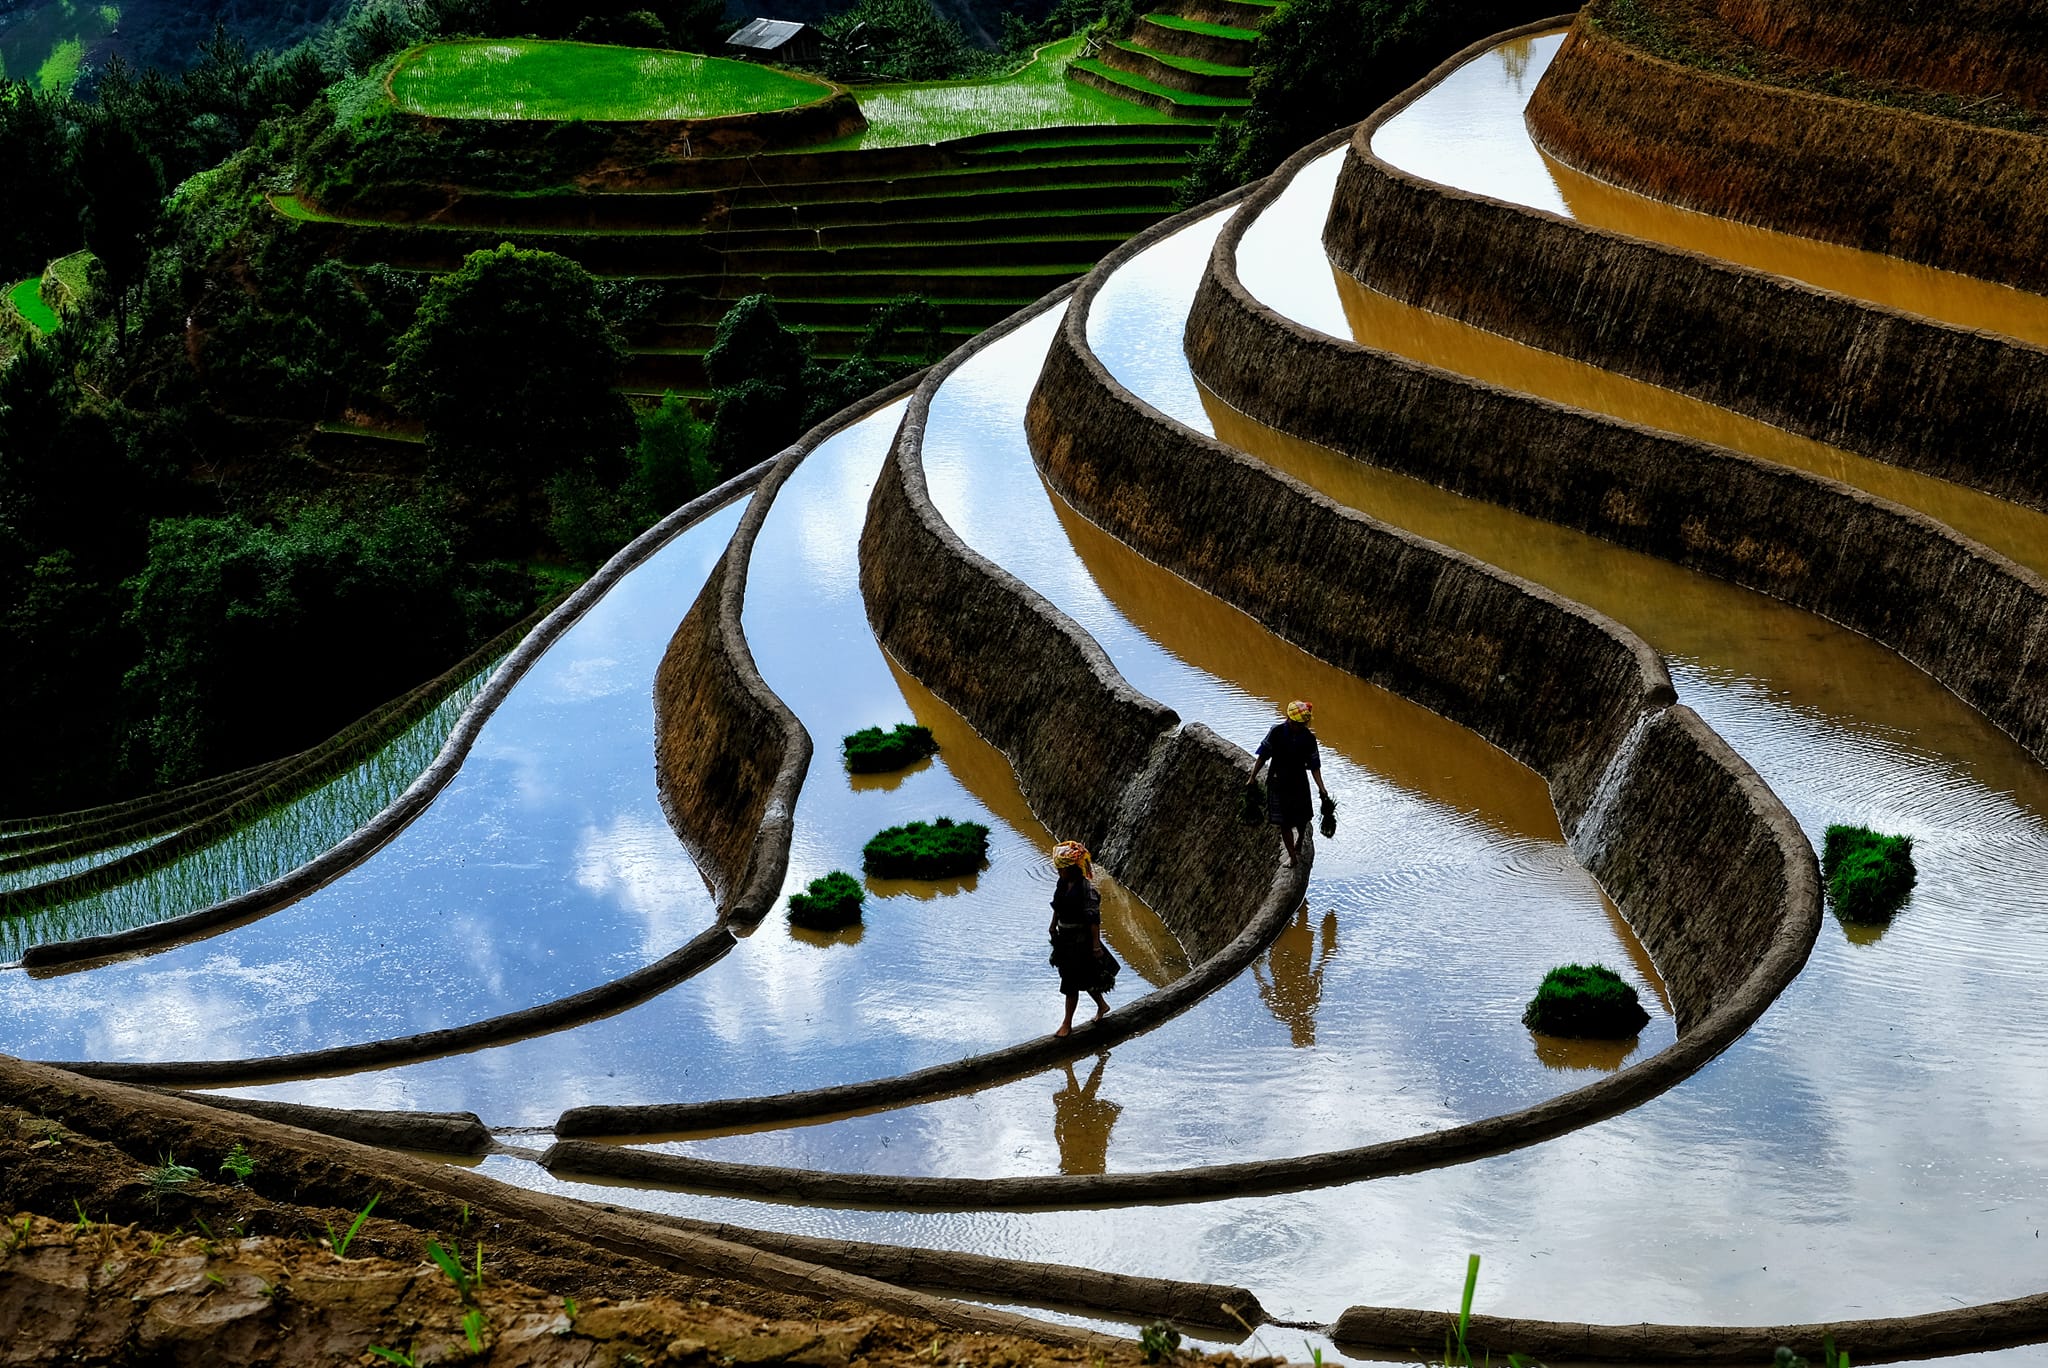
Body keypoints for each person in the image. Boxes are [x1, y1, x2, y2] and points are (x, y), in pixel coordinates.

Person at [1247, 699, 1332, 865]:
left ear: (1306, 724)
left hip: (1299, 782)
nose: (1296, 727)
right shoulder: (1276, 732)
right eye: (1294, 723)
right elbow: (1263, 756)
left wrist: (1322, 788)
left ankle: (1299, 840)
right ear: (1288, 719)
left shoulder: (1309, 739)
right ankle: (1292, 856)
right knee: (1284, 823)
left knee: (1302, 818)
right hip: (1278, 781)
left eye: (1300, 724)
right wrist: (1252, 777)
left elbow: (1315, 766)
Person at [1048, 839, 1118, 1037]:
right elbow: (1057, 906)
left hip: (1080, 941)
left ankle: (1066, 1024)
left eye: (1061, 869)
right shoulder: (1062, 883)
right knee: (1083, 978)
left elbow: (1093, 920)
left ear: (1071, 868)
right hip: (1065, 938)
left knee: (1070, 983)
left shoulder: (1086, 890)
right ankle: (1102, 1005)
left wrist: (1096, 946)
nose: (1059, 872)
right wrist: (1053, 925)